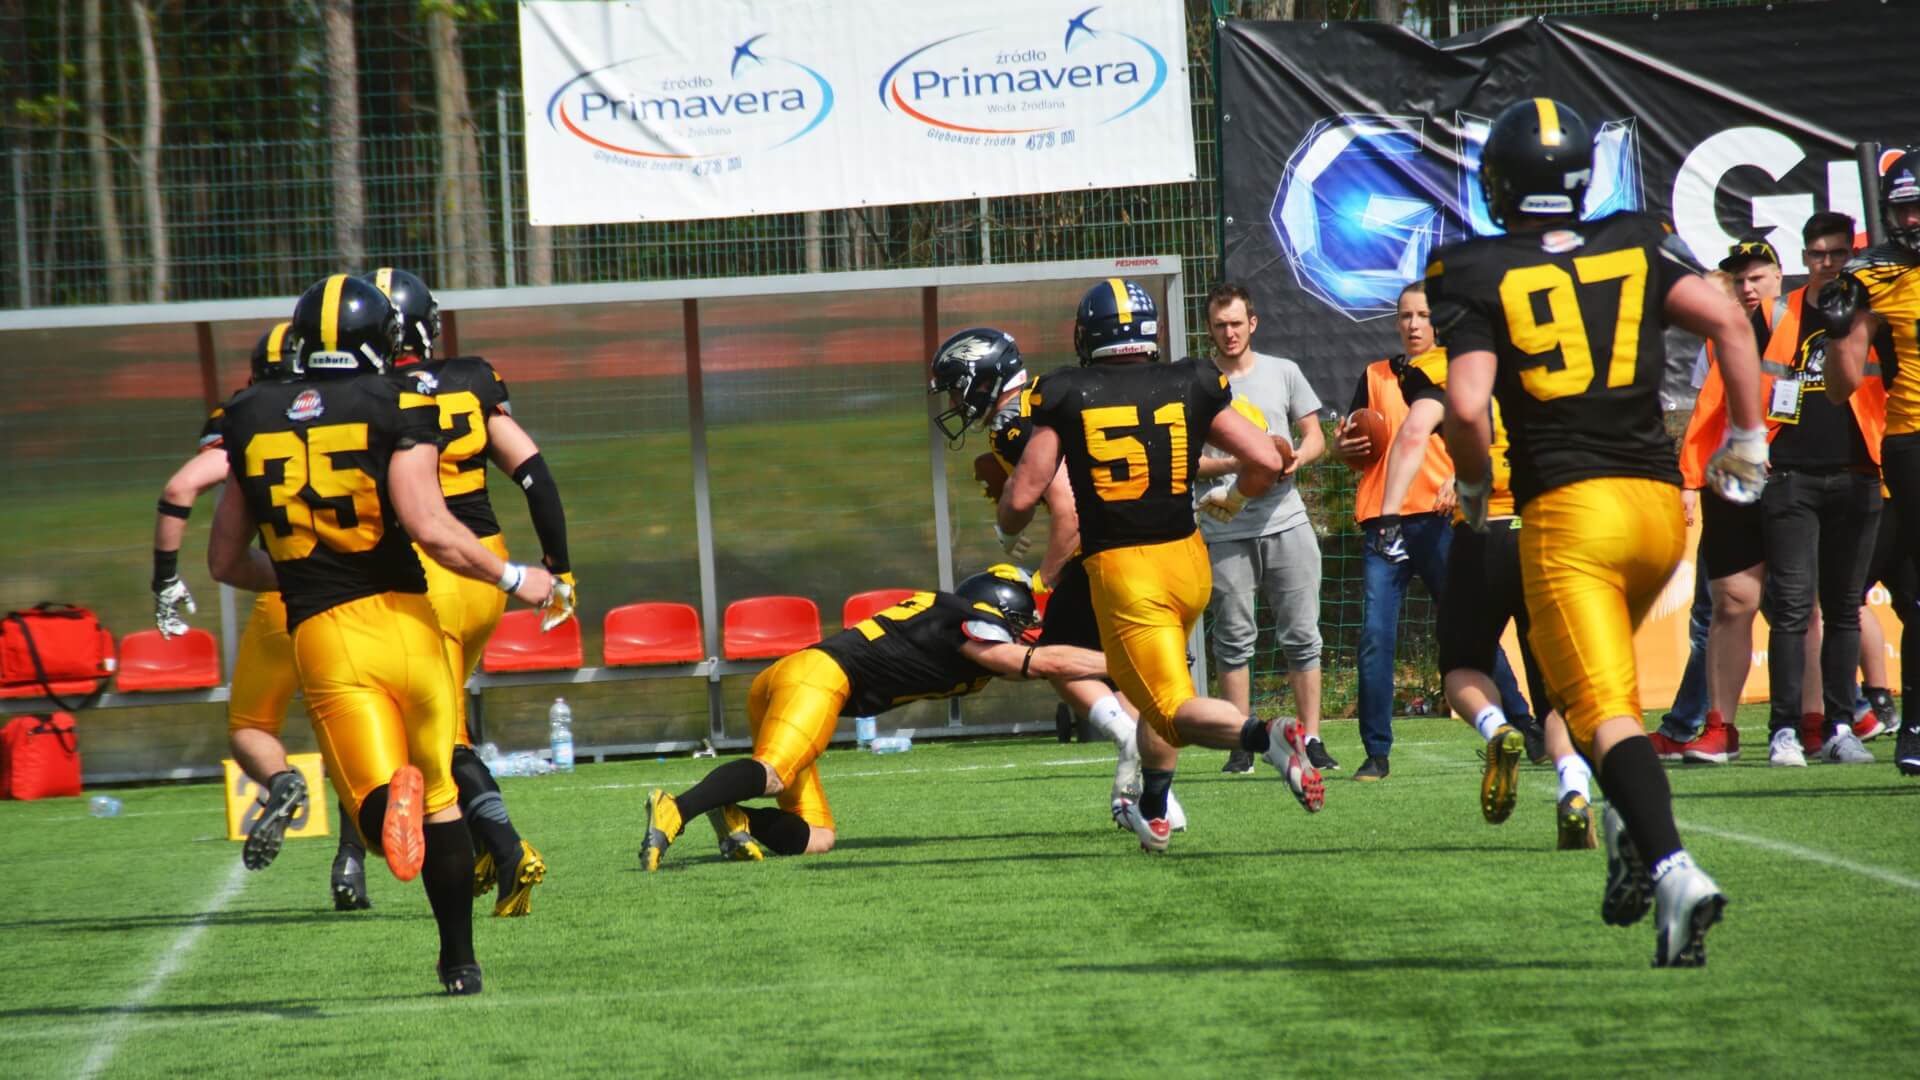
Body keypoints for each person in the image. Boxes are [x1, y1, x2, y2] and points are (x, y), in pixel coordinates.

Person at [1432, 98, 1767, 966]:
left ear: (1498, 183)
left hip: (1568, 517)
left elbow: (1466, 406)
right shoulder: (1635, 237)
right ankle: (1626, 835)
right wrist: (1748, 437)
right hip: (1656, 511)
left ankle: (1673, 870)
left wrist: (1473, 482)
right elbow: (1731, 321)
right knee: (1595, 698)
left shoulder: (1473, 267)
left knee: (1605, 712)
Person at [208, 273, 557, 995]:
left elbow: (224, 562)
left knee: (376, 812)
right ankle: (460, 964)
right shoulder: (399, 400)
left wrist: (301, 573)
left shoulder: (252, 414)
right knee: (441, 798)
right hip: (412, 623)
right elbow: (431, 526)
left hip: (330, 634)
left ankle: (383, 809)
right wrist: (514, 576)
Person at [998, 279, 1321, 855]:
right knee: (1155, 688)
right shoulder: (1189, 379)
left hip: (1126, 572)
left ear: (1087, 335)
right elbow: (1268, 457)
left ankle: (1266, 736)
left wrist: (1006, 527)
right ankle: (1153, 807)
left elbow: (1023, 496)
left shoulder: (1067, 391)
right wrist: (1236, 499)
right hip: (1189, 560)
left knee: (1168, 708)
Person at [639, 567, 1108, 867]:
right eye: (1020, 624)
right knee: (775, 772)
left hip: (798, 676)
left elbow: (1037, 665)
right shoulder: (968, 621)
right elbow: (1034, 663)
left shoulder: (957, 621)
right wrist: (1118, 663)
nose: (1024, 635)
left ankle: (736, 814)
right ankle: (676, 808)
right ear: (997, 612)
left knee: (819, 837)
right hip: (819, 677)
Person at [365, 267, 575, 914]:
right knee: (440, 716)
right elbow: (534, 475)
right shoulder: (471, 379)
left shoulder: (370, 394)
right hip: (488, 567)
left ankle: (508, 851)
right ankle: (484, 848)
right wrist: (560, 568)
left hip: (429, 572)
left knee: (438, 734)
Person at [928, 326, 1167, 828]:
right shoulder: (1048, 398)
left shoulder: (1016, 422)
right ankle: (1157, 801)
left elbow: (1070, 510)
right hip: (1151, 542)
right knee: (1124, 677)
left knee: (1053, 656)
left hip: (1104, 550)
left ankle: (1143, 762)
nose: (954, 401)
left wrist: (1044, 581)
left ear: (983, 379)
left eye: (957, 387)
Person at [1335, 281, 1533, 780]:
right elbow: (1359, 448)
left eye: (1423, 315)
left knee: (1476, 632)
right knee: (1375, 637)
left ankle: (1525, 727)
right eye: (1406, 315)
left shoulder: (1461, 373)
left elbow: (1485, 438)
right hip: (1384, 523)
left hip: (1443, 521)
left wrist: (1462, 476)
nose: (1414, 324)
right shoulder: (1375, 375)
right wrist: (1344, 448)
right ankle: (1376, 751)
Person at [1749, 215, 1885, 765]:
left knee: (1845, 608)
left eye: (1836, 253)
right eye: (1816, 253)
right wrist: (1750, 444)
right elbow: (1742, 377)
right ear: (1804, 257)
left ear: (1851, 255)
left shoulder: (1873, 309)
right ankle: (1784, 729)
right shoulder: (1777, 310)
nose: (1826, 263)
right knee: (1792, 608)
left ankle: (1840, 725)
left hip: (1859, 471)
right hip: (1789, 475)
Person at [1193, 283, 1338, 776]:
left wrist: (1294, 458)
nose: (1229, 333)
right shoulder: (1197, 381)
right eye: (1220, 325)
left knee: (1302, 635)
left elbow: (1315, 437)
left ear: (1252, 323)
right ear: (1209, 329)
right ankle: (1241, 742)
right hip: (1224, 524)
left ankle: (1312, 738)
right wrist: (1242, 462)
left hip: (1286, 520)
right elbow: (1189, 461)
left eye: (1237, 323)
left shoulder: (1283, 371)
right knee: (1233, 638)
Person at [1658, 235, 1788, 765]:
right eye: (1739, 279)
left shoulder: (1798, 329)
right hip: (1730, 486)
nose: (1747, 287)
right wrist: (1691, 480)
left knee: (1803, 607)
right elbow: (1704, 415)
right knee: (1725, 608)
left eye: (1756, 276)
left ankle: (1832, 716)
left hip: (1792, 480)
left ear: (1778, 276)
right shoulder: (1716, 341)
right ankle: (1709, 725)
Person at [1819, 147, 1920, 777]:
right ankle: (1914, 726)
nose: (1911, 221)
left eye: (1919, 208)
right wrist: (1837, 333)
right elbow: (1841, 386)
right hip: (1913, 436)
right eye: (1902, 210)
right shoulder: (1875, 275)